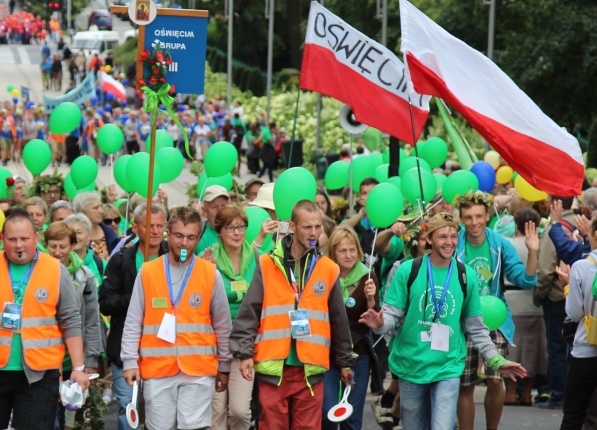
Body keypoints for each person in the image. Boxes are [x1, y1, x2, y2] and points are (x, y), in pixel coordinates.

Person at [359, 213, 527, 430]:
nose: (449, 242)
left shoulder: (466, 276)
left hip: (448, 366)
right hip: (411, 366)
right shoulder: (408, 270)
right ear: (429, 239)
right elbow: (391, 316)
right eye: (442, 237)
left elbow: (476, 327)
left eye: (453, 236)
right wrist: (380, 323)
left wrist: (496, 361)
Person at [229, 200, 355, 429]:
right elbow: (250, 311)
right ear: (293, 227)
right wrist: (244, 352)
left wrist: (345, 361)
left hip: (311, 367)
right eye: (308, 227)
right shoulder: (267, 263)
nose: (314, 233)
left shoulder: (328, 268)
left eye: (318, 227)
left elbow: (339, 319)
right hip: (274, 367)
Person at [121, 206, 232, 429]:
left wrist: (225, 364)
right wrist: (130, 361)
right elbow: (133, 320)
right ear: (168, 233)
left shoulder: (210, 274)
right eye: (179, 235)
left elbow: (222, 324)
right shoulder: (148, 272)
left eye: (191, 237)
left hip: (198, 368)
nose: (184, 243)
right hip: (158, 368)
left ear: (198, 238)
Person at [454, 191, 538, 430]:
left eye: (479, 216)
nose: (474, 222)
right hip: (462, 320)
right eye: (468, 217)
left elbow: (526, 280)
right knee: (466, 384)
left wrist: (532, 251)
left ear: (488, 215)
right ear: (461, 219)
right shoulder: (455, 243)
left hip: (495, 319)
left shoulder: (500, 244)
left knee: (495, 379)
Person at [0, 208, 90, 430]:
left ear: (37, 238)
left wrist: (78, 367)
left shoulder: (55, 269)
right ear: (2, 239)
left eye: (24, 239)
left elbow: (70, 320)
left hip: (39, 375)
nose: (19, 245)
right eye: (12, 239)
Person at [99, 203, 168, 430]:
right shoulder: (121, 260)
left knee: (158, 409)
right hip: (125, 346)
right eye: (150, 226)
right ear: (136, 228)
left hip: (163, 347)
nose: (156, 231)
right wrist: (137, 296)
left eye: (160, 225)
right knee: (127, 407)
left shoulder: (175, 256)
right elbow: (106, 303)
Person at [202, 205, 259, 430]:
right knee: (216, 412)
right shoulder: (206, 258)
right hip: (215, 342)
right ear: (220, 232)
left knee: (239, 412)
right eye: (231, 228)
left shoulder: (259, 258)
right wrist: (207, 277)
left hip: (246, 341)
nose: (237, 232)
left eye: (241, 227)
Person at [45, 222, 101, 430]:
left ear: (72, 246)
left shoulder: (84, 276)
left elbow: (91, 320)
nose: (57, 252)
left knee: (72, 417)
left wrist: (91, 360)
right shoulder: (39, 272)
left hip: (73, 357)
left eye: (62, 246)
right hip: (45, 356)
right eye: (53, 246)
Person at [322, 226, 380, 430]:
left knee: (351, 418)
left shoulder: (368, 276)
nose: (349, 255)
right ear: (333, 253)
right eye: (342, 250)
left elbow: (376, 320)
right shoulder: (324, 275)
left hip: (358, 354)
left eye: (352, 249)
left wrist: (371, 300)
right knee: (328, 415)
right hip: (328, 354)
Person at [535, 196, 576, 408]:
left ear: (554, 203)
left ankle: (559, 394)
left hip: (557, 296)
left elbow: (545, 269)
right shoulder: (580, 222)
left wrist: (538, 294)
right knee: (574, 347)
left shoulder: (556, 227)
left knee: (558, 348)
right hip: (575, 295)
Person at [503, 208, 547, 406]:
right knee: (532, 348)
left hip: (511, 301)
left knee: (511, 348)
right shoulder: (541, 244)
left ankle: (510, 392)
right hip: (534, 302)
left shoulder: (508, 244)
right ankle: (527, 393)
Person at [560, 215, 597, 429]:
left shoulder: (581, 267)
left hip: (586, 349)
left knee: (574, 413)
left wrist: (568, 287)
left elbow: (573, 313)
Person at [73, 191, 119, 258]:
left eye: (100, 206)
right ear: (82, 211)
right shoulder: (72, 233)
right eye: (96, 208)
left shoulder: (109, 232)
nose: (101, 211)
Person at [195, 185, 230, 255]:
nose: (220, 210)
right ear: (204, 211)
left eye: (223, 206)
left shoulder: (240, 231)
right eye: (214, 207)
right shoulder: (197, 235)